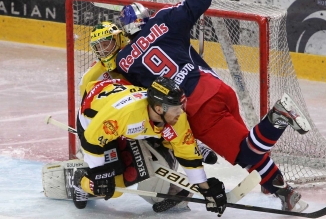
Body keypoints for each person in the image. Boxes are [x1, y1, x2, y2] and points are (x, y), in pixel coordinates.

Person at [115, 0, 311, 213]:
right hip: (216, 87)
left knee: (246, 152)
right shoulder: (164, 18)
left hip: (196, 107)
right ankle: (286, 193)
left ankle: (278, 118)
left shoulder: (125, 60)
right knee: (247, 150)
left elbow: (133, 97)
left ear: (126, 29)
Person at [73, 77, 227, 216]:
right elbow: (91, 140)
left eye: (180, 106)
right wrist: (98, 173)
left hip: (123, 114)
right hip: (92, 122)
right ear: (159, 109)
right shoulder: (126, 115)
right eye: (176, 108)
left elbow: (187, 153)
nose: (180, 112)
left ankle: (168, 144)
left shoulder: (173, 116)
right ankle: (79, 182)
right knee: (109, 188)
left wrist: (205, 188)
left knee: (174, 139)